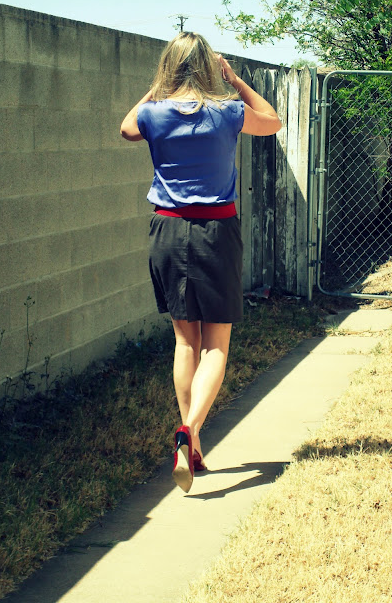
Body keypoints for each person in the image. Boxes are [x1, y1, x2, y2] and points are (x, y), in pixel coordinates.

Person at [120, 32, 281, 493]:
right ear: (210, 68)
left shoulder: (153, 113)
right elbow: (272, 121)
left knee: (185, 343)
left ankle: (191, 447)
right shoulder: (227, 111)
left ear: (169, 68)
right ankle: (188, 431)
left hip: (167, 232)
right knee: (216, 346)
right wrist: (235, 79)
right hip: (216, 232)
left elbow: (126, 126)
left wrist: (158, 87)